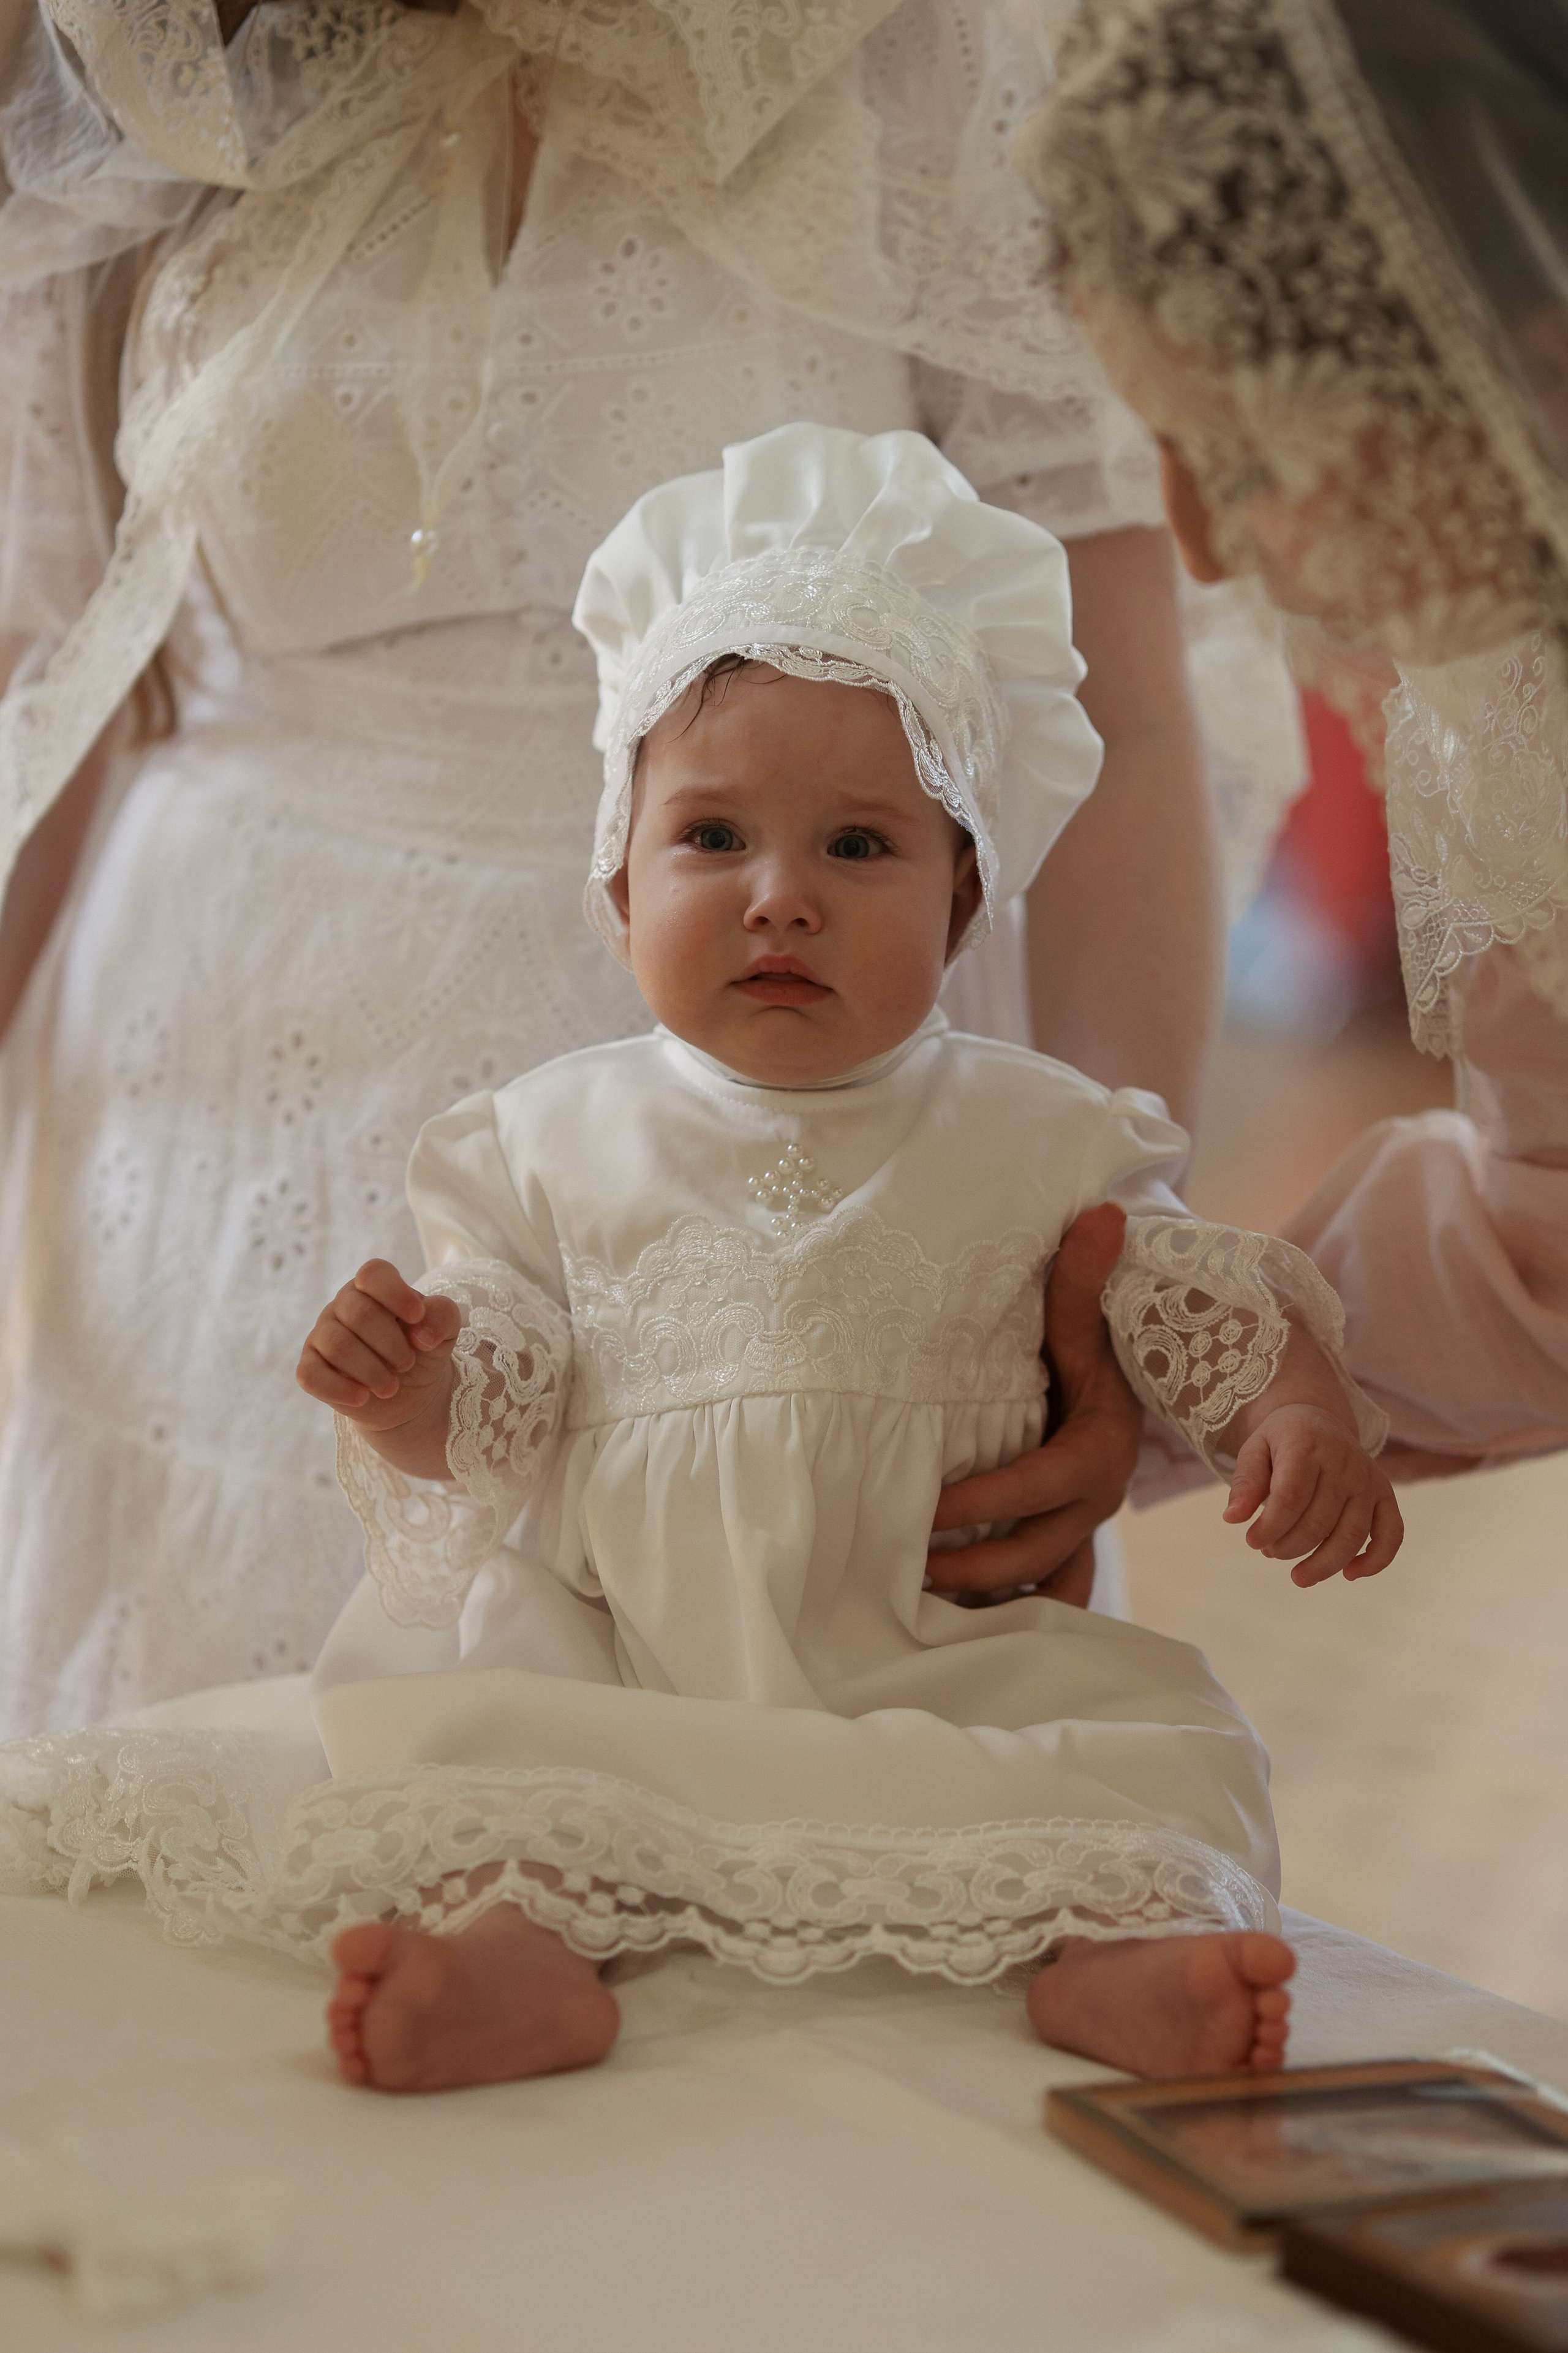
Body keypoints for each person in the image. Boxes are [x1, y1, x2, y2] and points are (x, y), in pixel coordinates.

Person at [0, 0, 1302, 1737]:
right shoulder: (152, 50)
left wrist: (1098, 1271)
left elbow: (1119, 719)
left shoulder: (933, 50)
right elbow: (55, 676)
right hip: (203, 1142)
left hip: (806, 1177)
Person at [265, 422, 1401, 2093]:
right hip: (627, 1643)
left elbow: (1186, 1299)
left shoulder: (1038, 1130)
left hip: (934, 1639)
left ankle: (1123, 1954)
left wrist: (1293, 1411)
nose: (779, 895)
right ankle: (520, 1957)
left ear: (960, 904)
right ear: (615, 883)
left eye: (858, 848)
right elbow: (496, 1404)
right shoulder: (536, 1139)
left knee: (1152, 1752)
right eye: (712, 839)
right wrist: (415, 1385)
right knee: (485, 1744)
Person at [1017, 0, 1568, 1483]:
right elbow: (1541, 1249)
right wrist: (1203, 1380)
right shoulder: (1512, 732)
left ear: (1522, 353)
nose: (1197, 552)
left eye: (1245, 459)